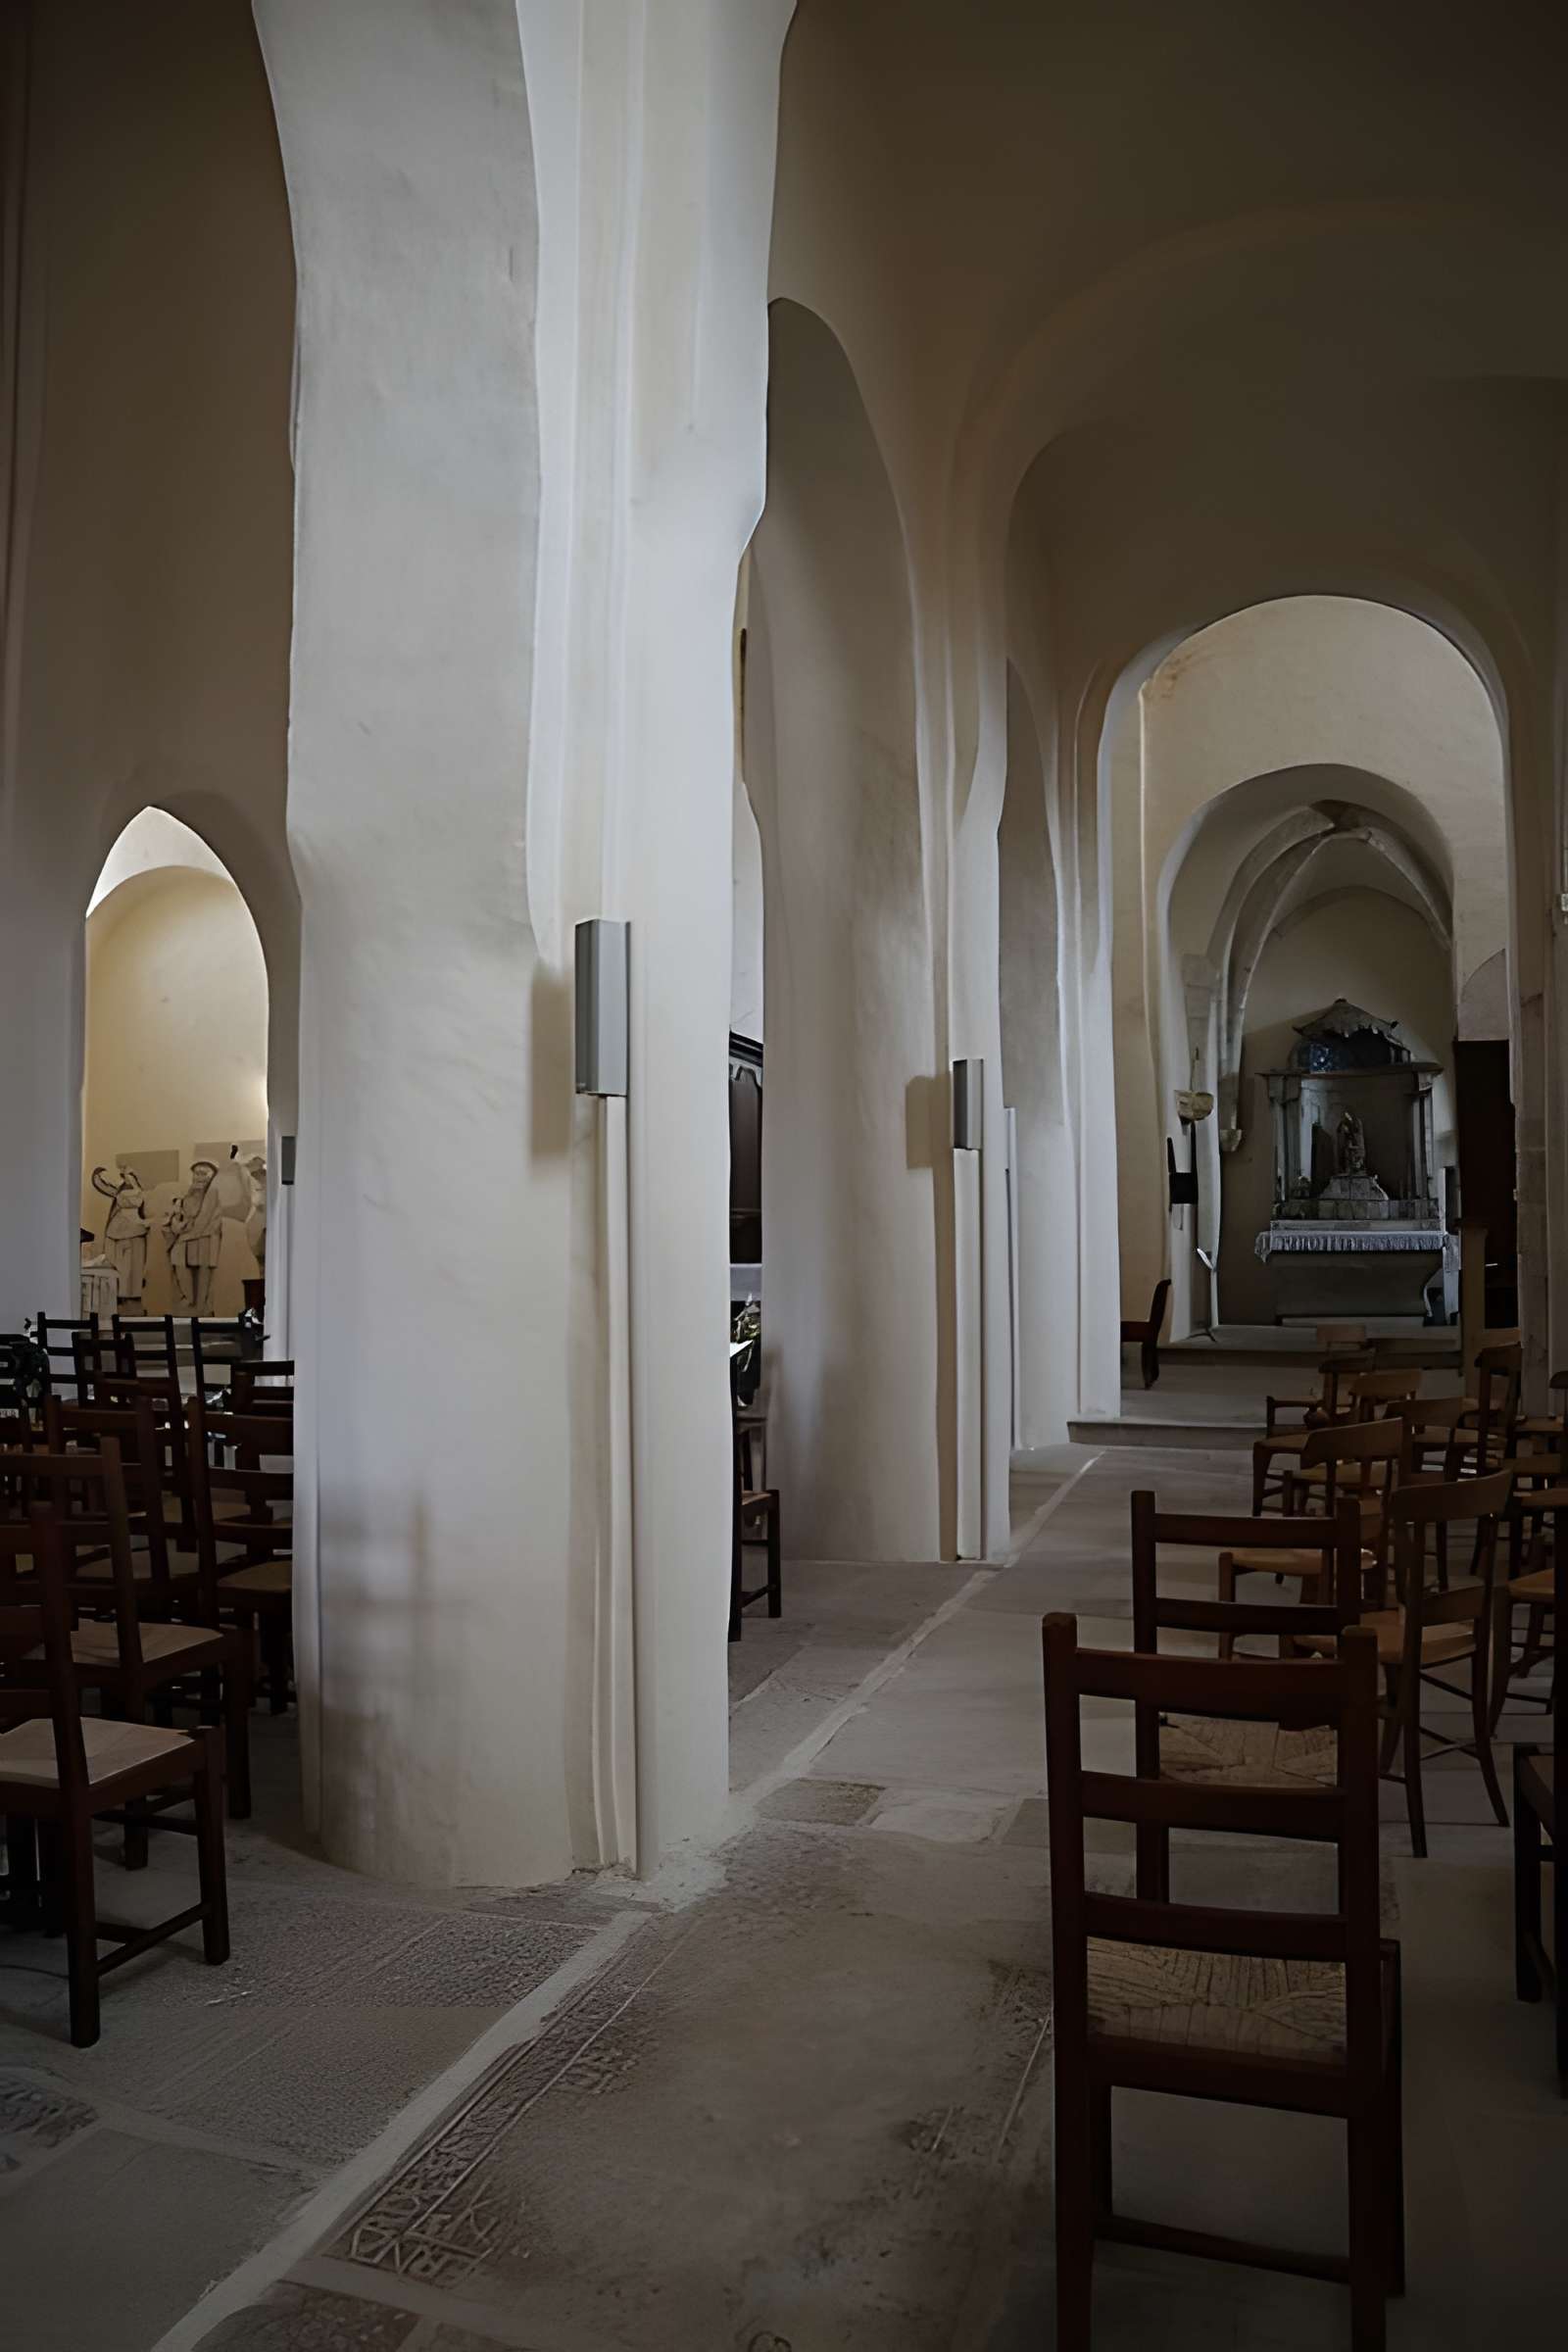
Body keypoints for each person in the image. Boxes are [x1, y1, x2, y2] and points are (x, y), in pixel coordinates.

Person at [90, 1164, 150, 1303]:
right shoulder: (119, 1191)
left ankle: (130, 1293)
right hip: (117, 1231)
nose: (126, 1178)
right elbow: (103, 1186)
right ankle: (119, 1292)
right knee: (118, 1263)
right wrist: (97, 1176)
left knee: (133, 1264)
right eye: (124, 1175)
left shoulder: (139, 1193)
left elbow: (141, 1204)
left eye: (129, 1175)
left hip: (134, 1232)